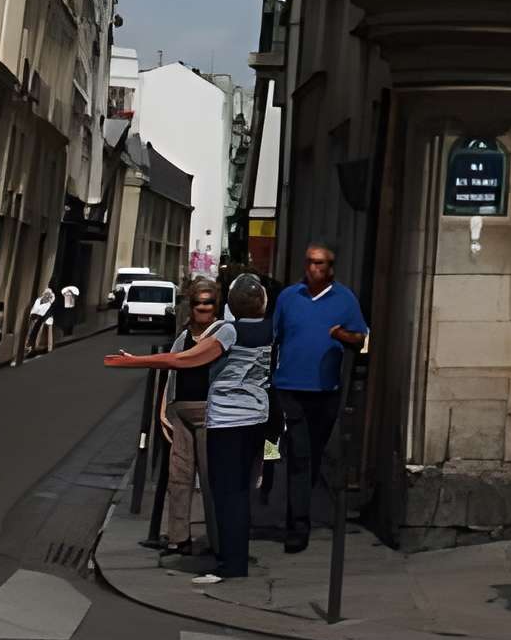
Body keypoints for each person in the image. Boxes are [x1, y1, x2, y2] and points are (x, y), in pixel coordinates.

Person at [108, 271, 273, 586]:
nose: (204, 308)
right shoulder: (269, 330)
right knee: (231, 491)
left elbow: (186, 361)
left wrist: (135, 361)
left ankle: (228, 561)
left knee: (224, 492)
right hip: (254, 418)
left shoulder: (228, 332)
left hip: (226, 420)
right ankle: (226, 555)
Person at [269, 241, 368, 554]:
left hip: (326, 391)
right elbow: (276, 337)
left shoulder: (345, 299)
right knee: (299, 454)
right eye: (310, 262)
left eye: (320, 264)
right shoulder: (288, 297)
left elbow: (363, 341)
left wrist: (343, 336)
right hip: (290, 388)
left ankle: (298, 509)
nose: (313, 268)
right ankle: (297, 527)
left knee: (310, 455)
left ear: (330, 269)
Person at [158, 279, 223, 565]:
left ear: (216, 306)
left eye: (208, 303)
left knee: (211, 479)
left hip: (210, 412)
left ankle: (218, 539)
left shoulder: (223, 335)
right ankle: (178, 538)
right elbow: (171, 371)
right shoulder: (182, 336)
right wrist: (162, 409)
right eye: (198, 303)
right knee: (179, 476)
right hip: (180, 413)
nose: (203, 308)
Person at [25, 284, 56, 356]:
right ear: (44, 294)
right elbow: (34, 309)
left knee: (45, 332)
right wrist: (33, 316)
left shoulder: (49, 303)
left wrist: (37, 317)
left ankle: (48, 348)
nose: (47, 296)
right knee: (33, 332)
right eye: (46, 294)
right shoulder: (38, 300)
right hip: (37, 317)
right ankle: (31, 347)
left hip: (46, 317)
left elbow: (43, 312)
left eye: (48, 295)